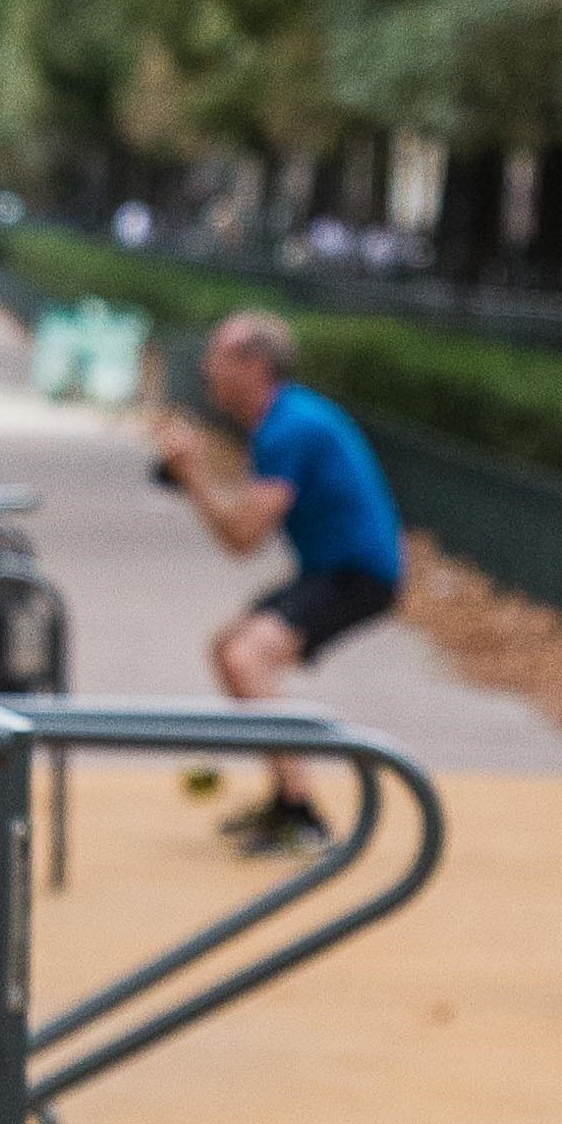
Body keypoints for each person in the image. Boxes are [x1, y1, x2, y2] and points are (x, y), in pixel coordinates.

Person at [149, 310, 402, 857]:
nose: (206, 367)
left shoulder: (289, 428)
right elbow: (239, 534)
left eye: (217, 354)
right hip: (329, 571)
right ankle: (286, 797)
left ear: (253, 365)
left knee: (247, 659)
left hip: (358, 576)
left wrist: (192, 473)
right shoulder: (280, 422)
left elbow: (242, 538)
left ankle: (303, 812)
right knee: (228, 648)